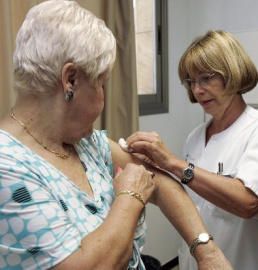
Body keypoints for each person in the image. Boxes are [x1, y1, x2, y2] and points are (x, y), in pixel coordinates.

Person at [0, 1, 232, 269]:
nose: (103, 99)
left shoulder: (88, 143)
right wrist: (130, 197)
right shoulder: (8, 166)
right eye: (101, 84)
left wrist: (207, 252)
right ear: (71, 80)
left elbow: (162, 184)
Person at [126, 29, 258, 270]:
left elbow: (248, 202)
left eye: (206, 78)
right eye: (191, 81)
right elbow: (194, 196)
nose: (197, 90)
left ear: (232, 72)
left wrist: (172, 162)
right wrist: (156, 167)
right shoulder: (196, 137)